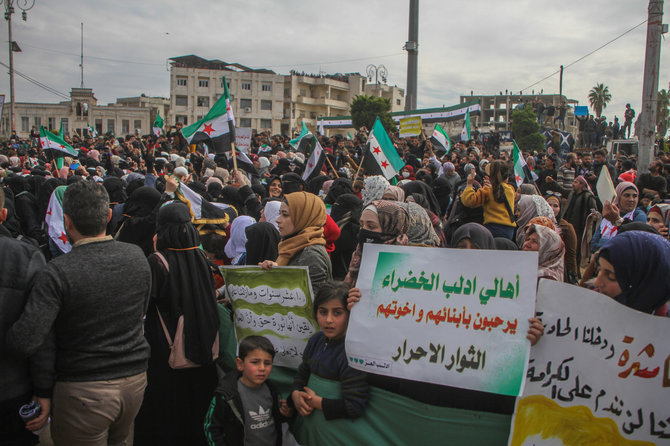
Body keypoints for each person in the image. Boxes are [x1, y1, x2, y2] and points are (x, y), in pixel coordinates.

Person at [7, 180, 151, 446]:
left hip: (84, 390)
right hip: (133, 382)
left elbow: (27, 339)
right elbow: (140, 313)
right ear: (108, 216)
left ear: (67, 222)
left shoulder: (58, 271)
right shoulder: (137, 257)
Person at [134, 201, 220, 445]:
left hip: (167, 355)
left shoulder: (158, 262)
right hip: (202, 350)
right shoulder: (201, 258)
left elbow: (146, 306)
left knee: (166, 415)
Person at [1, 187, 52, 445]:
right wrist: (44, 390)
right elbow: (40, 332)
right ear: (3, 214)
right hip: (13, 389)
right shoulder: (26, 256)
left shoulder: (27, 257)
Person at [290, 281, 368, 420]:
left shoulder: (351, 353)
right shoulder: (316, 341)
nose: (329, 320)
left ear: (350, 314)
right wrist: (295, 394)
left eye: (337, 313)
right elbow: (302, 375)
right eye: (323, 312)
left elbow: (355, 406)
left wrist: (316, 402)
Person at [203, 336, 290, 446]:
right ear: (240, 364)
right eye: (255, 362)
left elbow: (276, 419)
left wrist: (286, 413)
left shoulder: (272, 391)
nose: (262, 368)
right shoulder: (227, 395)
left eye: (267, 363)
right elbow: (211, 427)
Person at [260, 191, 332, 295]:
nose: (278, 220)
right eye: (279, 214)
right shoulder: (292, 245)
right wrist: (274, 271)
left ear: (303, 217)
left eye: (285, 215)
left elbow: (308, 303)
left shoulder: (311, 255)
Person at [595, 231, 670, 315]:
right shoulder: (588, 307)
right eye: (599, 270)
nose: (597, 282)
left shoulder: (664, 325)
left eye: (611, 276)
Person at [345, 200, 409, 285]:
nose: (364, 230)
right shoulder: (359, 254)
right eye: (361, 225)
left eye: (371, 226)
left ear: (391, 228)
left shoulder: (406, 262)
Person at [460, 160, 516, 240]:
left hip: (493, 228)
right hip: (509, 229)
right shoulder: (511, 189)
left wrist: (469, 184)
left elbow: (468, 201)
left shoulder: (487, 190)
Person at [591, 182, 647, 253]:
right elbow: (594, 243)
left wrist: (603, 244)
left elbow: (632, 240)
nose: (631, 199)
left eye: (635, 196)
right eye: (627, 195)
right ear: (618, 197)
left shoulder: (639, 216)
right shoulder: (610, 213)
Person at [545, 193, 578, 282]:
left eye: (555, 206)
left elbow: (571, 254)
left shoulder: (566, 227)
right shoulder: (537, 223)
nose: (552, 208)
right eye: (549, 204)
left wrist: (573, 274)